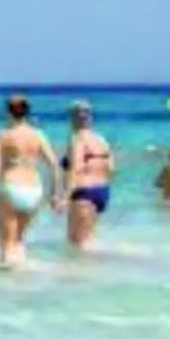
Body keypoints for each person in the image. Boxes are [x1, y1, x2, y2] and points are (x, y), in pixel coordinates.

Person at [0, 92, 60, 270]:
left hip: (11, 187)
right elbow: (54, 164)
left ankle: (7, 288)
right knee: (19, 239)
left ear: (8, 112)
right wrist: (54, 194)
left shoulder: (3, 135)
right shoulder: (38, 135)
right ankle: (23, 282)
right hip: (34, 190)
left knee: (6, 244)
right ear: (27, 112)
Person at [58, 99, 115, 251]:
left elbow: (76, 168)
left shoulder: (77, 139)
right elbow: (111, 168)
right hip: (102, 191)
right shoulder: (101, 140)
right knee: (88, 242)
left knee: (76, 245)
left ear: (73, 119)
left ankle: (78, 274)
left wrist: (65, 197)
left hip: (83, 192)